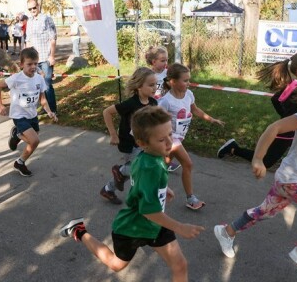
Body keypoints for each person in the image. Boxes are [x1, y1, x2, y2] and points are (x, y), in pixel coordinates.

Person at [213, 67, 297, 280]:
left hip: (290, 180)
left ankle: (226, 232)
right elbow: (274, 128)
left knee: (264, 212)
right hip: (293, 181)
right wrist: (258, 158)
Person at [59, 106, 205, 281]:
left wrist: (162, 188)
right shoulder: (148, 166)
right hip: (132, 228)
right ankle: (79, 230)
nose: (169, 142)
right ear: (142, 143)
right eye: (161, 139)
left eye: (170, 134)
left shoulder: (151, 156)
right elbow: (148, 211)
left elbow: (140, 184)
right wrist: (180, 227)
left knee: (180, 265)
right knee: (116, 264)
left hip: (155, 226)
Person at [217, 52, 297, 184]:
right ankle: (233, 148)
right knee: (266, 161)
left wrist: (284, 116)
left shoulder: (295, 85)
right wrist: (286, 119)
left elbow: (275, 99)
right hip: (287, 133)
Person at [159, 63, 224, 210]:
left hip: (180, 137)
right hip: (170, 138)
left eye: (189, 80)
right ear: (173, 82)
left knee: (163, 166)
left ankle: (150, 186)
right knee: (188, 164)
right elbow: (157, 122)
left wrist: (210, 119)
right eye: (185, 80)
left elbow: (195, 109)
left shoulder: (188, 94)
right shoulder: (166, 101)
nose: (188, 83)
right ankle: (191, 198)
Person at [0, 48, 58, 177]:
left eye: (35, 63)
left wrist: (49, 112)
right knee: (34, 141)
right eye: (29, 64)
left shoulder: (39, 79)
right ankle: (19, 156)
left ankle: (17, 143)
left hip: (32, 114)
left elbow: (43, 99)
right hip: (19, 115)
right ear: (21, 64)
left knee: (33, 139)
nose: (33, 67)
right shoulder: (16, 78)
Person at [100, 67, 158, 205]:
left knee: (131, 171)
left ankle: (108, 189)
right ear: (138, 86)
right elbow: (107, 112)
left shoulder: (153, 103)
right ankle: (119, 170)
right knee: (139, 169)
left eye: (155, 84)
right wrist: (113, 135)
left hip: (144, 143)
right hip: (129, 143)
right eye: (150, 85)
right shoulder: (130, 104)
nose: (154, 88)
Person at [25, 0, 57, 114]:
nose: (33, 10)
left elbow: (52, 39)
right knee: (36, 85)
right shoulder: (29, 21)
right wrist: (27, 59)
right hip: (34, 60)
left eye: (34, 7)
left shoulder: (46, 19)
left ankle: (53, 110)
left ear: (38, 6)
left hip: (45, 58)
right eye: (30, 9)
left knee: (47, 85)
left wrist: (52, 56)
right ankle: (45, 108)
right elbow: (28, 41)